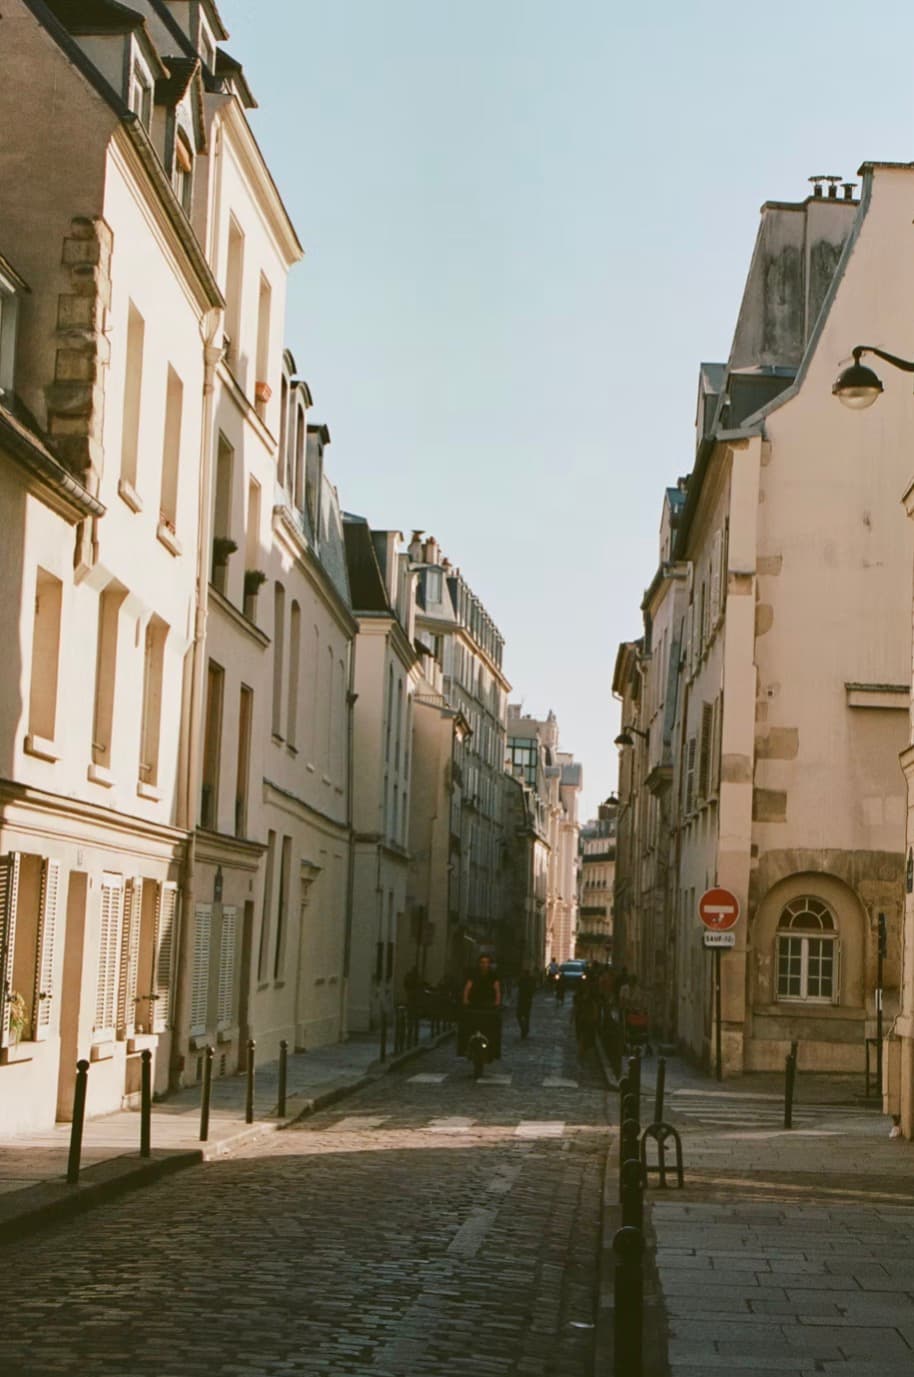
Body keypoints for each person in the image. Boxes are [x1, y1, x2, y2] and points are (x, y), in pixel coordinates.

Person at [461, 954, 502, 1060]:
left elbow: (497, 989)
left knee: (494, 1026)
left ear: (489, 964)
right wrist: (465, 999)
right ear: (479, 964)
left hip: (488, 1004)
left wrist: (497, 1001)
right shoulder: (473, 974)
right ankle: (465, 1048)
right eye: (482, 962)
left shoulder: (493, 975)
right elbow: (468, 987)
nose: (484, 965)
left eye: (486, 962)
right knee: (465, 1024)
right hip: (474, 1003)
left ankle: (493, 1050)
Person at [516, 965, 536, 1039]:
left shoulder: (522, 980)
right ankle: (526, 1029)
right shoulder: (531, 980)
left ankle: (524, 1029)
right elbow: (534, 989)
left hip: (522, 1000)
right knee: (526, 1016)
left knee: (519, 1015)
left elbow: (518, 985)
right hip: (528, 1000)